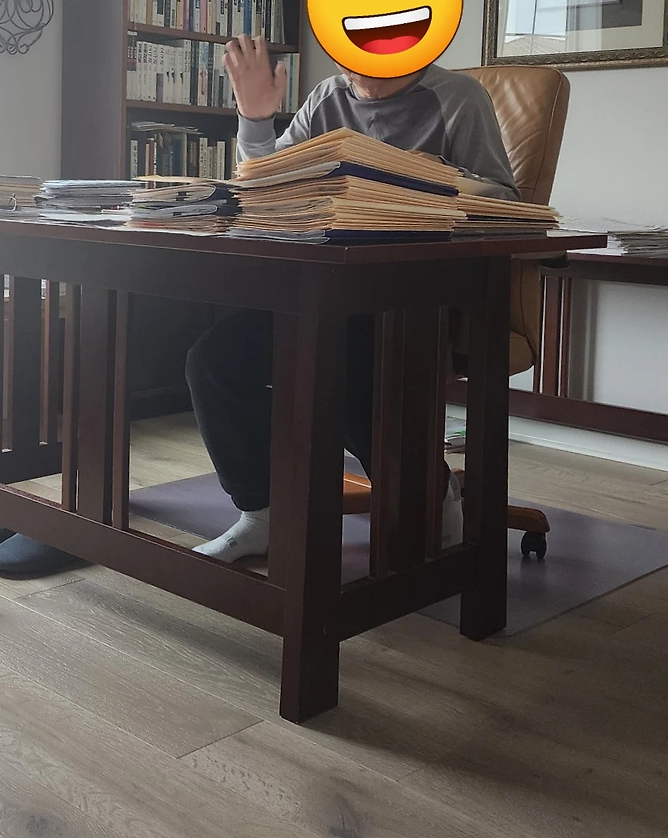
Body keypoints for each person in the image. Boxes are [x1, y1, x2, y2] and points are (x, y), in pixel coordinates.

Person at [187, 35, 518, 563]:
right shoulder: (327, 98)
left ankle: (432, 496)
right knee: (214, 361)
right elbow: (267, 185)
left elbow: (505, 199)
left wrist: (427, 180)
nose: (358, 75)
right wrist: (255, 117)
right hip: (325, 290)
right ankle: (263, 514)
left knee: (346, 366)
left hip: (420, 297)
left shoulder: (457, 97)